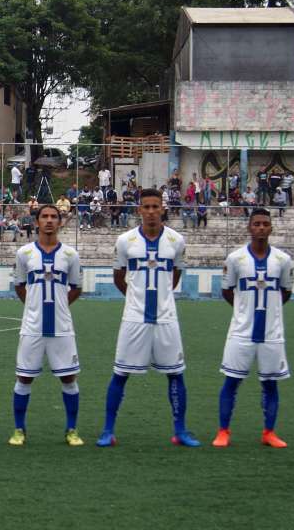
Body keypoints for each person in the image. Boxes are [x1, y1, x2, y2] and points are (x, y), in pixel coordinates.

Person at [98, 189, 199, 447]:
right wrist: (135, 298)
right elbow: (119, 278)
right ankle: (108, 431)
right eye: (147, 207)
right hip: (134, 318)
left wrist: (162, 296)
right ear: (139, 210)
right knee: (120, 373)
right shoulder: (125, 241)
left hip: (166, 318)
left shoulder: (176, 240)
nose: (152, 211)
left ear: (163, 208)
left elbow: (175, 276)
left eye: (156, 206)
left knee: (176, 374)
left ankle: (181, 431)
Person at [213, 208, 293, 448]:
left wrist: (271, 311)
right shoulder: (235, 258)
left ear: (271, 228)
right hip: (241, 332)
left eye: (264, 224)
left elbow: (286, 292)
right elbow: (227, 290)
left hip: (271, 333)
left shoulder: (283, 260)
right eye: (256, 223)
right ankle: (223, 431)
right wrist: (242, 311)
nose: (260, 227)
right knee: (231, 382)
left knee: (270, 383)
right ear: (249, 227)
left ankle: (269, 432)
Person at [9, 205, 84, 447]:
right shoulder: (24, 253)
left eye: (54, 217)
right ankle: (19, 430)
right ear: (37, 222)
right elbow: (20, 286)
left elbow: (76, 288)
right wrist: (33, 306)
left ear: (60, 222)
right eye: (45, 217)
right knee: (24, 378)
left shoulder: (71, 255)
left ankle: (71, 430)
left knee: (69, 379)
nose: (49, 221)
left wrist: (60, 305)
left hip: (62, 327)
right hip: (32, 327)